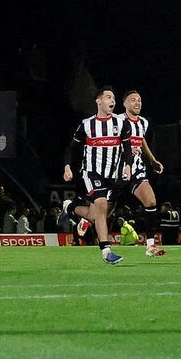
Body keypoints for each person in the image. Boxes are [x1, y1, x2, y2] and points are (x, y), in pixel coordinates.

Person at [61, 86, 125, 265]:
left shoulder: (120, 122)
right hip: (91, 172)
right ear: (98, 101)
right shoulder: (87, 124)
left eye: (113, 98)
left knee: (99, 215)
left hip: (113, 175)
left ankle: (70, 208)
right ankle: (106, 251)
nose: (112, 100)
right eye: (108, 97)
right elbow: (71, 148)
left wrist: (127, 164)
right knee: (102, 205)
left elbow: (127, 146)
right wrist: (67, 166)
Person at [116, 89, 167, 256]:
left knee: (151, 202)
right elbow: (109, 143)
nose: (137, 102)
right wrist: (126, 150)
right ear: (124, 104)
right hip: (116, 171)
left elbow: (141, 139)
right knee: (100, 214)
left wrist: (152, 160)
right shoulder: (116, 121)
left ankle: (150, 246)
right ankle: (73, 209)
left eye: (139, 100)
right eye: (133, 100)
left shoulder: (143, 122)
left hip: (137, 170)